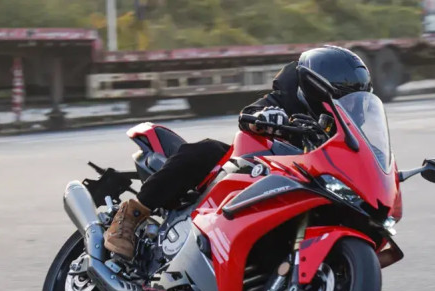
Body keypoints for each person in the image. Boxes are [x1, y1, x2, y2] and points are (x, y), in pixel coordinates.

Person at [104, 45, 373, 258]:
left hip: (301, 188)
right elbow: (250, 115)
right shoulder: (287, 99)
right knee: (207, 150)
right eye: (342, 96)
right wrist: (265, 118)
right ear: (319, 89)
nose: (348, 104)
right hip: (257, 169)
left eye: (353, 98)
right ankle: (130, 215)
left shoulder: (347, 128)